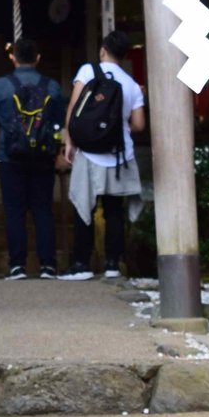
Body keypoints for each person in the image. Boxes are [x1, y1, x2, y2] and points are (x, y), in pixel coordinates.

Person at [60, 29, 147, 280]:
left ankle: (82, 264)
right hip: (119, 155)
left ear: (103, 50)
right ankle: (112, 264)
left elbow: (75, 109)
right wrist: (118, 127)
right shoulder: (131, 85)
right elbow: (139, 125)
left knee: (83, 205)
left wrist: (69, 140)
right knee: (114, 210)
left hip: (89, 151)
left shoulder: (88, 72)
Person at [0, 37, 64, 279]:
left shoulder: (1, 86)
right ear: (38, 58)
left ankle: (17, 265)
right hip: (43, 156)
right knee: (42, 209)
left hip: (10, 156)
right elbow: (59, 123)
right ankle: (47, 265)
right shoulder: (52, 87)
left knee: (14, 210)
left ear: (13, 57)